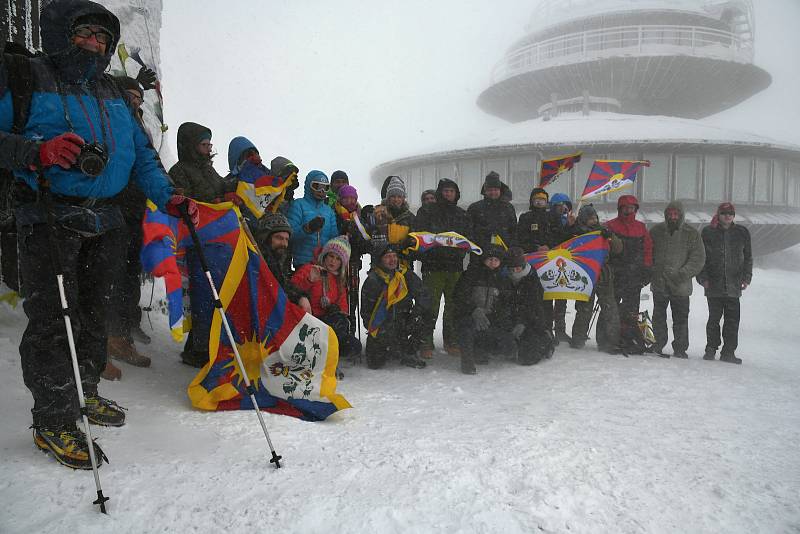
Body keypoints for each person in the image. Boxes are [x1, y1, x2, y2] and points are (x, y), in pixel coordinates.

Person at [0, 0, 194, 469]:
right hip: (48, 218)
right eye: (86, 34)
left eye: (103, 39)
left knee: (92, 316)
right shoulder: (26, 77)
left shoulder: (111, 90)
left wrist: (166, 196)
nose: (96, 44)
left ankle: (83, 393)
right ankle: (53, 417)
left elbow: (143, 157)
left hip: (105, 222)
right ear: (63, 33)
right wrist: (35, 151)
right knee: (53, 320)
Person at [104, 76, 152, 378]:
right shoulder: (107, 120)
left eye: (139, 99)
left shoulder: (139, 128)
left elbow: (148, 164)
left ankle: (120, 337)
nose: (135, 103)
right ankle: (102, 342)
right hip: (110, 207)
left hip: (135, 211)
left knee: (129, 274)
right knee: (108, 275)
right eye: (129, 96)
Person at [412, 178, 471, 358]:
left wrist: (460, 253)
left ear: (456, 194)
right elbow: (418, 236)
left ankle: (451, 340)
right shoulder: (427, 211)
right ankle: (426, 341)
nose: (448, 194)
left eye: (451, 191)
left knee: (453, 306)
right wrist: (427, 254)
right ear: (440, 193)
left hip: (455, 267)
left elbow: (467, 238)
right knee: (430, 305)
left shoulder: (462, 214)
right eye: (445, 191)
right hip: (433, 266)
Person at [292, 236, 362, 367]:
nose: (333, 261)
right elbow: (292, 289)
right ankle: (324, 356)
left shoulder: (339, 281)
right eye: (331, 256)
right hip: (309, 320)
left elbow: (343, 307)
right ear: (324, 255)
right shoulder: (310, 269)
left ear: (342, 263)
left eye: (337, 259)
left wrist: (337, 310)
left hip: (329, 323)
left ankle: (328, 354)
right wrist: (309, 281)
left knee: (353, 344)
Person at [697, 202, 752, 364]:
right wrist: (703, 278)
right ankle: (711, 348)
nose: (727, 216)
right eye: (724, 213)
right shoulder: (708, 232)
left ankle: (729, 351)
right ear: (718, 214)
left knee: (732, 320)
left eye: (730, 213)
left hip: (734, 285)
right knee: (714, 319)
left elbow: (748, 257)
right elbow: (701, 257)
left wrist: (746, 277)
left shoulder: (742, 232)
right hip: (713, 284)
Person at [649, 200, 706, 358]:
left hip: (681, 286)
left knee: (680, 318)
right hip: (660, 283)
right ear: (666, 215)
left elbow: (698, 258)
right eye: (670, 214)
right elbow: (648, 254)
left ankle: (680, 348)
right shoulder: (656, 232)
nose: (673, 217)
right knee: (659, 316)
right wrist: (654, 271)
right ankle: (658, 343)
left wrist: (682, 274)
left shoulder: (691, 233)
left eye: (676, 214)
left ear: (681, 215)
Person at [360, 244, 430, 369]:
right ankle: (388, 347)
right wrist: (381, 330)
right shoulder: (373, 280)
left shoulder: (405, 275)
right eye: (388, 257)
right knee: (375, 364)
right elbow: (366, 312)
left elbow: (423, 294)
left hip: (403, 323)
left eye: (394, 256)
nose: (392, 260)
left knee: (426, 317)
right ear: (380, 260)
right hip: (381, 327)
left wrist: (416, 313)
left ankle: (409, 352)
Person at [566, 205, 622, 351]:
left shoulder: (603, 231)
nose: (594, 220)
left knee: (609, 309)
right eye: (590, 218)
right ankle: (578, 339)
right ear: (584, 219)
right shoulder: (576, 233)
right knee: (584, 309)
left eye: (595, 218)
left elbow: (618, 248)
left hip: (604, 274)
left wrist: (610, 236)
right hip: (585, 274)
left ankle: (611, 341)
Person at [454, 245, 515, 375]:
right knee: (467, 329)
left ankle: (483, 350)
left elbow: (506, 303)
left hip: (491, 317)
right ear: (484, 260)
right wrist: (474, 310)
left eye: (496, 260)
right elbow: (459, 296)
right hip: (469, 315)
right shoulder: (471, 274)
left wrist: (499, 316)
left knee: (507, 343)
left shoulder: (502, 279)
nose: (493, 263)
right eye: (490, 259)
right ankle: (467, 362)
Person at [603, 195, 653, 353]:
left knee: (633, 309)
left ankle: (639, 339)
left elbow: (647, 249)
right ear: (620, 209)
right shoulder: (610, 226)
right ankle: (609, 338)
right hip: (616, 274)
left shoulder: (641, 227)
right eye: (625, 208)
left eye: (631, 208)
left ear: (635, 210)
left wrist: (647, 269)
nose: (628, 211)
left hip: (635, 274)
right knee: (613, 308)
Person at [253, 212, 311, 313]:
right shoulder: (257, 260)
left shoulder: (281, 258)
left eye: (286, 239)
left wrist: (301, 297)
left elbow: (284, 283)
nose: (284, 243)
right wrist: (299, 297)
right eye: (279, 238)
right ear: (266, 237)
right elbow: (276, 287)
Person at [505, 247, 555, 365]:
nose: (515, 271)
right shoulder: (504, 279)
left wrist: (522, 322)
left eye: (518, 268)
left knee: (528, 357)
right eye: (512, 269)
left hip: (531, 321)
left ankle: (546, 342)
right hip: (510, 319)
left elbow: (534, 306)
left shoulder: (532, 279)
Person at [332, 184, 369, 337]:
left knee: (352, 297)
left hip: (353, 261)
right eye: (346, 198)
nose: (349, 201)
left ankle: (351, 331)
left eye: (352, 198)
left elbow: (365, 239)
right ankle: (340, 330)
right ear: (340, 199)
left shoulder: (359, 215)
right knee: (339, 295)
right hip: (337, 261)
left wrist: (357, 239)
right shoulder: (334, 213)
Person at [168, 122, 235, 203]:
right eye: (204, 144)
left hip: (220, 214)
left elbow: (224, 185)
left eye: (209, 145)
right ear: (191, 146)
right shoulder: (178, 171)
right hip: (203, 215)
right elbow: (185, 204)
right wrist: (216, 202)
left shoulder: (208, 169)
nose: (210, 149)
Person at [286, 170, 338, 267]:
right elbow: (289, 234)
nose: (322, 191)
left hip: (324, 265)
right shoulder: (298, 205)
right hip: (303, 264)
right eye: (317, 186)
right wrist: (308, 228)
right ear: (308, 186)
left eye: (325, 188)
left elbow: (333, 238)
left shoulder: (329, 211)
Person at [363, 176, 415, 267]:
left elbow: (414, 241)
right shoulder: (377, 214)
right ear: (388, 198)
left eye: (399, 196)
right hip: (380, 266)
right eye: (393, 196)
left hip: (404, 265)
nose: (396, 200)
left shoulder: (410, 218)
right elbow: (367, 239)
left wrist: (402, 247)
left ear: (403, 199)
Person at [547, 192, 575, 343]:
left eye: (565, 206)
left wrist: (571, 226)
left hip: (563, 264)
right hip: (548, 262)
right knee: (547, 299)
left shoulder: (569, 222)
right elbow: (556, 238)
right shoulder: (548, 221)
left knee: (561, 298)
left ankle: (560, 329)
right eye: (559, 206)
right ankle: (547, 329)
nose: (563, 209)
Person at [467, 171, 516, 251]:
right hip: (480, 252)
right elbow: (468, 231)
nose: (493, 192)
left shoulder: (508, 208)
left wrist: (512, 246)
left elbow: (514, 231)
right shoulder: (474, 208)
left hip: (503, 252)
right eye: (490, 190)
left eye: (496, 189)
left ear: (500, 190)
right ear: (485, 191)